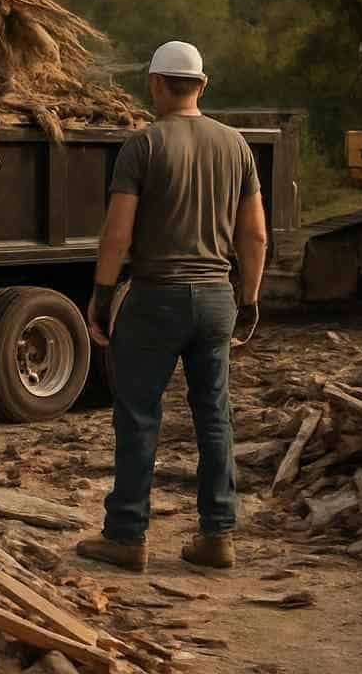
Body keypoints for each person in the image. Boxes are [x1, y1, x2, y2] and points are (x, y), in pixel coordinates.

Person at [75, 41, 267, 572]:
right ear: (202, 85)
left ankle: (127, 536)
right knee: (214, 415)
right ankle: (217, 536)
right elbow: (255, 235)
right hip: (216, 297)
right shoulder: (237, 146)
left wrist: (102, 296)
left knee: (138, 415)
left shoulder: (143, 145)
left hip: (155, 298)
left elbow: (117, 235)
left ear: (156, 84)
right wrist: (249, 298)